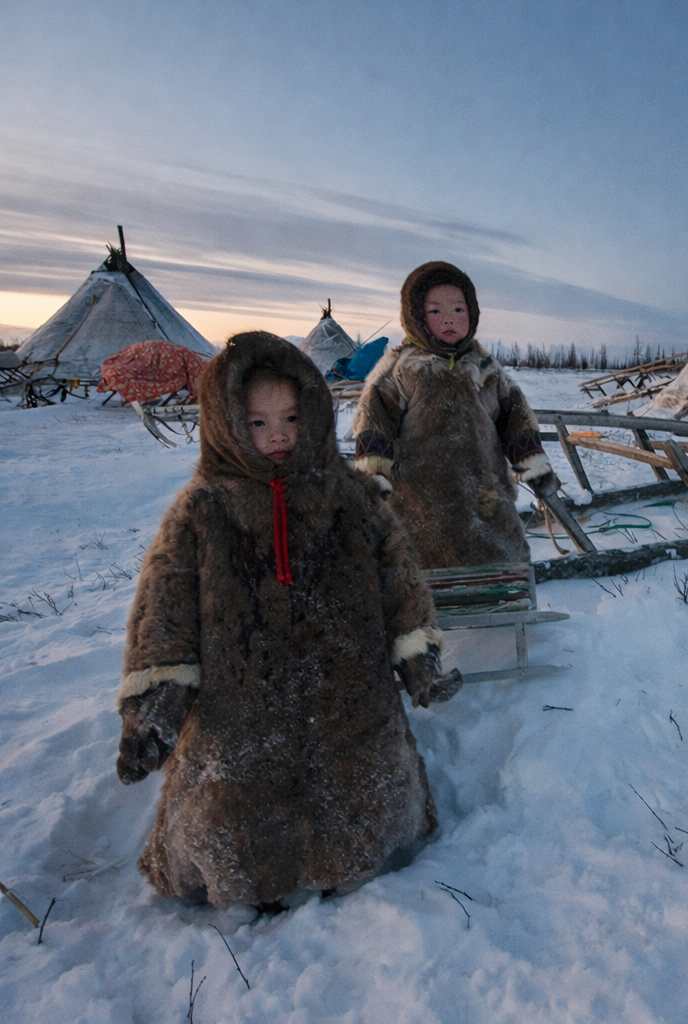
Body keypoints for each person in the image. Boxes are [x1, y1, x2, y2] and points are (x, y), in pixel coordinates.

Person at [115, 331, 458, 910]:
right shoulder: (201, 510)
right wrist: (156, 712)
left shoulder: (353, 499)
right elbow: (163, 613)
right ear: (226, 424)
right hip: (241, 709)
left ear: (316, 414)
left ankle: (357, 862)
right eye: (256, 422)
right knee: (233, 810)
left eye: (292, 417)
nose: (277, 434)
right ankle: (246, 883)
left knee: (361, 797)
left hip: (349, 704)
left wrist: (418, 662)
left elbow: (400, 582)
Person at [352, 261, 558, 569]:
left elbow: (514, 417)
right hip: (420, 502)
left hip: (484, 499)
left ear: (472, 315)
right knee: (417, 561)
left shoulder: (484, 368)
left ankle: (501, 602)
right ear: (416, 318)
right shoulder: (401, 369)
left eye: (459, 310)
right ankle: (425, 612)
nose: (449, 318)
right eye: (435, 311)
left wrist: (532, 462)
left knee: (498, 556)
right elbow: (374, 423)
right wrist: (373, 476)